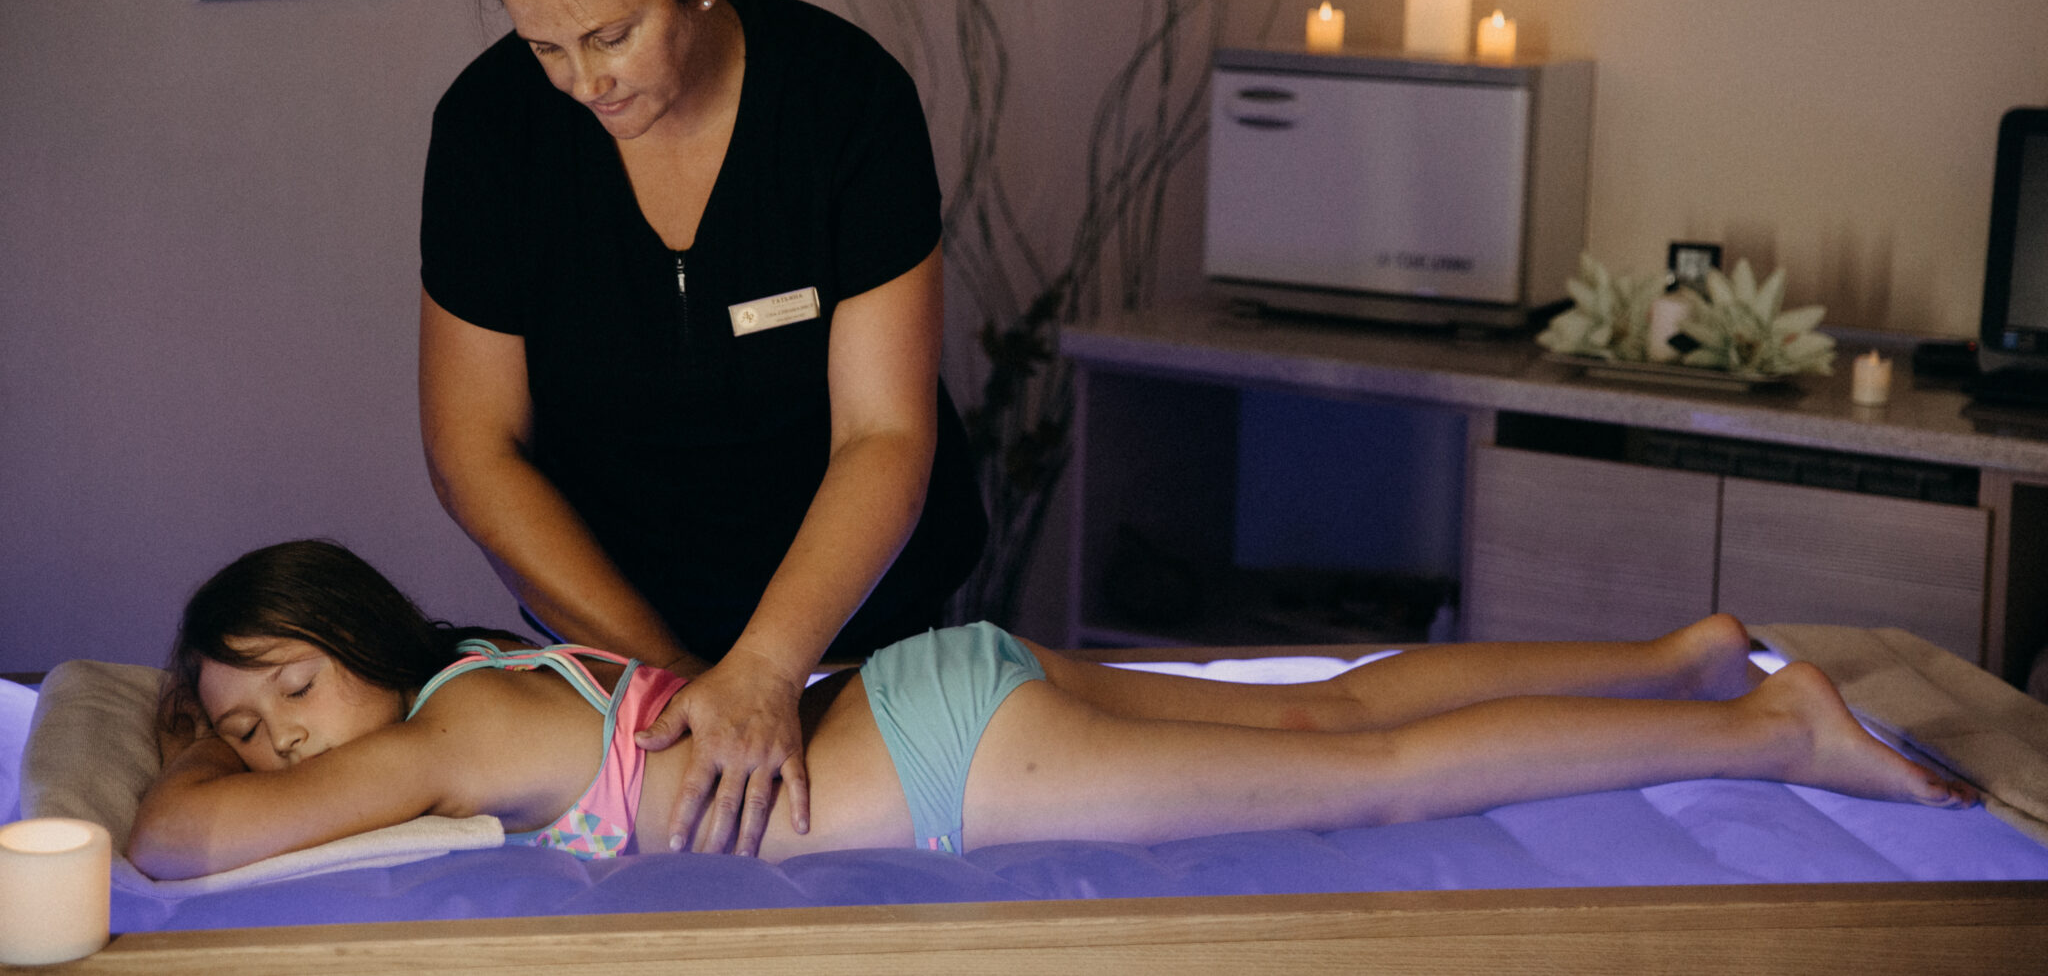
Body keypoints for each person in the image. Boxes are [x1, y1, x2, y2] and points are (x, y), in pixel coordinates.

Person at [129, 541, 1975, 882]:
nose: (283, 736)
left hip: (944, 752)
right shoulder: (484, 664)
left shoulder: (439, 736)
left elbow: (182, 838)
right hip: (925, 683)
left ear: (352, 636)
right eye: (253, 719)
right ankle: (1677, 654)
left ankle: (1765, 729)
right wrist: (235, 717)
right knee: (1328, 711)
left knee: (1378, 776)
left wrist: (192, 751)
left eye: (286, 686)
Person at [418, 0, 986, 858]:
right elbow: (475, 450)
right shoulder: (490, 133)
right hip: (616, 633)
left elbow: (884, 434)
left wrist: (767, 668)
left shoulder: (842, 101)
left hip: (857, 621)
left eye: (610, 36)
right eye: (544, 46)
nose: (582, 82)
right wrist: (676, 682)